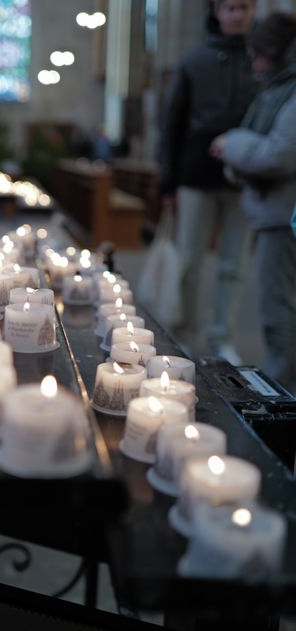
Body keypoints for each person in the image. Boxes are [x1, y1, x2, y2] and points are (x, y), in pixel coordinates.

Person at [159, 0, 258, 363]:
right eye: (230, 8)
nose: (237, 15)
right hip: (196, 175)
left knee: (234, 264)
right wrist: (167, 183)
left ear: (254, 10)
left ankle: (222, 337)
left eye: (244, 8)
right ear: (217, 12)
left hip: (245, 176)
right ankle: (186, 334)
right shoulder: (194, 60)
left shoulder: (262, 60)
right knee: (189, 259)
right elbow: (172, 125)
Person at [211, 12, 296, 392]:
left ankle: (283, 409)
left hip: (284, 216)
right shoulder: (276, 90)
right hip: (272, 213)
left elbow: (280, 155)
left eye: (260, 54)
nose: (254, 62)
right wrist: (238, 152)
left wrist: (231, 145)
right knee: (276, 310)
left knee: (280, 315)